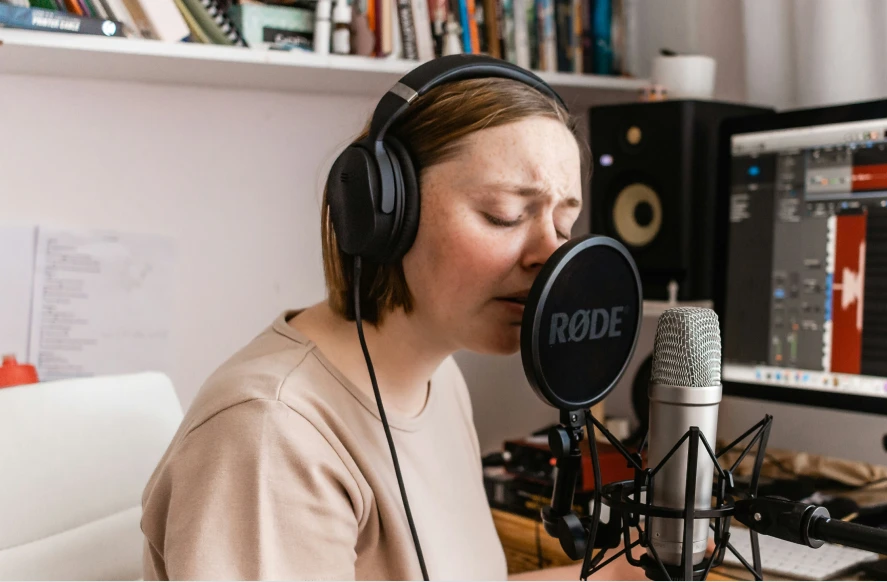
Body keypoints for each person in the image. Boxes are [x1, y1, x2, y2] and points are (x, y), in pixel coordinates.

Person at [138, 60, 648, 580]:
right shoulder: (271, 436)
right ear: (383, 215)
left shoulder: (439, 378)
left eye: (564, 223)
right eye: (504, 215)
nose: (550, 254)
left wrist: (616, 576)